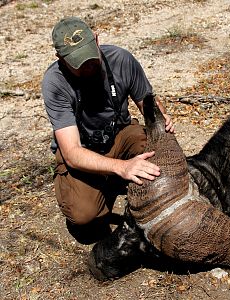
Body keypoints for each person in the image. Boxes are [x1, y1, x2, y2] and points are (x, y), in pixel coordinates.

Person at [41, 16, 174, 248]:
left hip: (119, 139)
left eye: (90, 57)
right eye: (78, 62)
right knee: (85, 216)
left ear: (96, 39)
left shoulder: (121, 59)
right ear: (60, 59)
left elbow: (147, 103)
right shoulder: (55, 82)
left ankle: (126, 188)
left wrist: (162, 121)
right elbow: (72, 152)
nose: (88, 65)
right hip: (84, 155)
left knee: (153, 142)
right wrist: (122, 167)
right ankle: (108, 184)